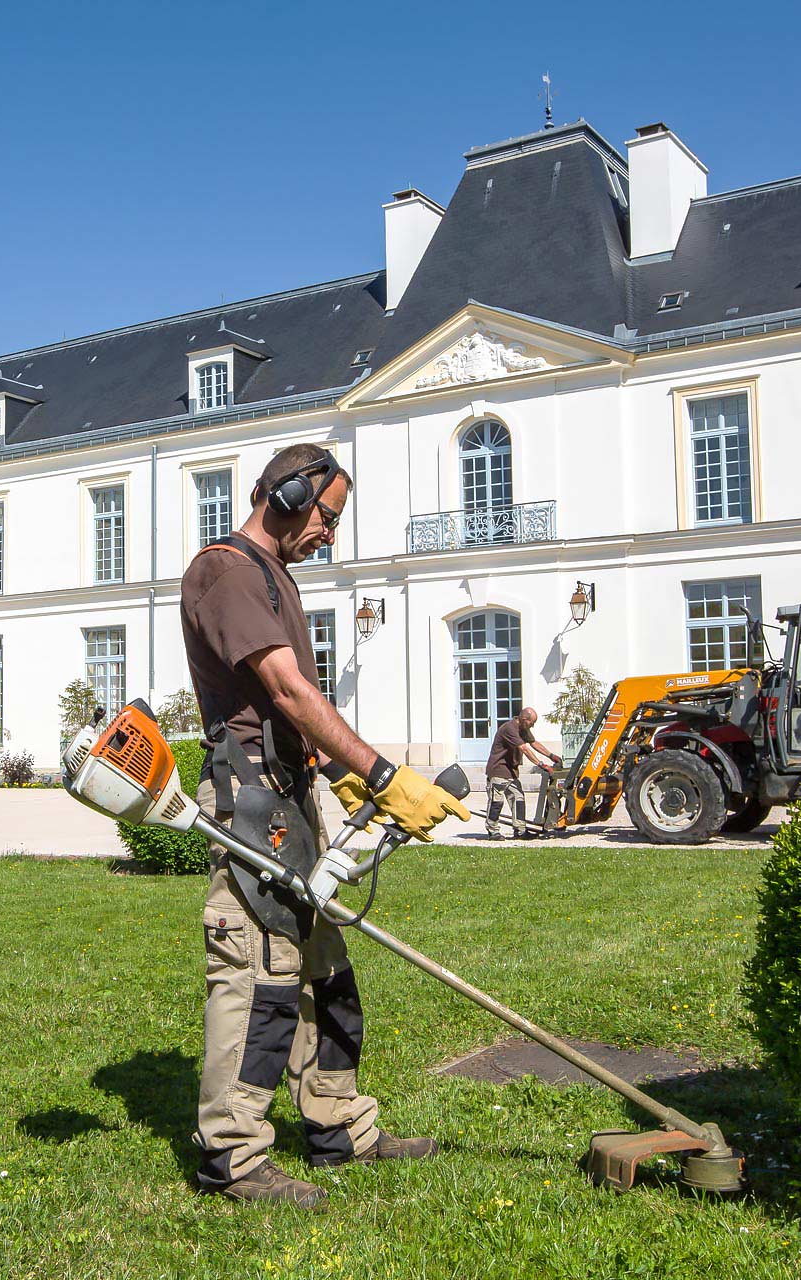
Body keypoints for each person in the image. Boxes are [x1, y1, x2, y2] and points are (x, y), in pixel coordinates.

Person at [180, 442, 470, 1209]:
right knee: (258, 972)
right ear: (286, 495)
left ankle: (338, 1125)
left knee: (324, 970)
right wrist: (382, 775)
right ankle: (233, 1154)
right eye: (328, 516)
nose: (331, 534)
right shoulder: (226, 572)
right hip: (250, 801)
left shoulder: (273, 575)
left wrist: (336, 773)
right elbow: (286, 692)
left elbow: (294, 704)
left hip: (290, 797)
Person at [484, 707, 562, 839]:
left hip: (511, 771)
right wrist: (541, 764)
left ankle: (520, 830)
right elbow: (524, 748)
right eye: (532, 723)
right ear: (524, 719)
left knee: (518, 799)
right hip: (498, 770)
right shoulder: (509, 729)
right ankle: (493, 831)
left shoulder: (523, 728)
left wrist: (551, 756)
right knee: (496, 802)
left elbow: (534, 743)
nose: (533, 726)